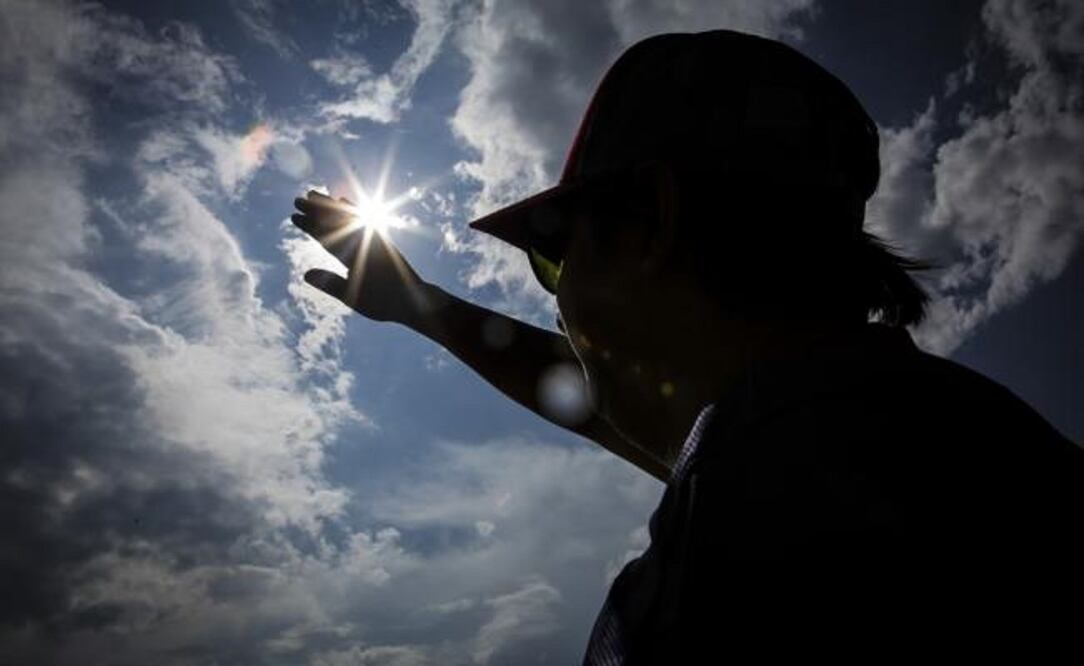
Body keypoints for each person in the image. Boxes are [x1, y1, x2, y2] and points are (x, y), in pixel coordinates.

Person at [292, 30, 1082, 662]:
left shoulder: (776, 534)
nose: (560, 299)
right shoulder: (914, 441)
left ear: (651, 223)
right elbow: (595, 395)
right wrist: (423, 307)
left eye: (554, 256)